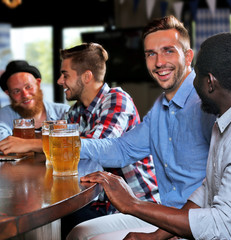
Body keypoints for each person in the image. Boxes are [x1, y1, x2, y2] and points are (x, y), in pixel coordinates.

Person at [81, 32, 231, 239]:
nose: (192, 84)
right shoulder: (229, 120)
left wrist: (132, 204)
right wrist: (156, 237)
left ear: (210, 82)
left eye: (196, 75)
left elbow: (221, 228)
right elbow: (209, 191)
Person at [67, 15, 216, 239]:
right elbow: (121, 150)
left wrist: (160, 234)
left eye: (168, 50)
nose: (158, 62)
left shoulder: (207, 102)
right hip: (167, 214)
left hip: (198, 222)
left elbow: (219, 183)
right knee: (79, 232)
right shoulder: (160, 110)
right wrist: (66, 144)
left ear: (188, 56)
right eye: (151, 54)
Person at [57, 42, 160, 238]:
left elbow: (101, 147)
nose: (60, 81)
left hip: (137, 204)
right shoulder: (75, 112)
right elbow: (65, 159)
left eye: (65, 75)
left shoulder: (116, 98)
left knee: (69, 225)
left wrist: (40, 143)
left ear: (86, 77)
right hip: (98, 202)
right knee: (63, 221)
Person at [0, 60, 70, 154]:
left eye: (28, 87)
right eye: (16, 91)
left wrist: (25, 143)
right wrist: (51, 139)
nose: (25, 95)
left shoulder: (64, 111)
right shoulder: (5, 113)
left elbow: (77, 144)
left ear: (38, 83)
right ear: (8, 94)